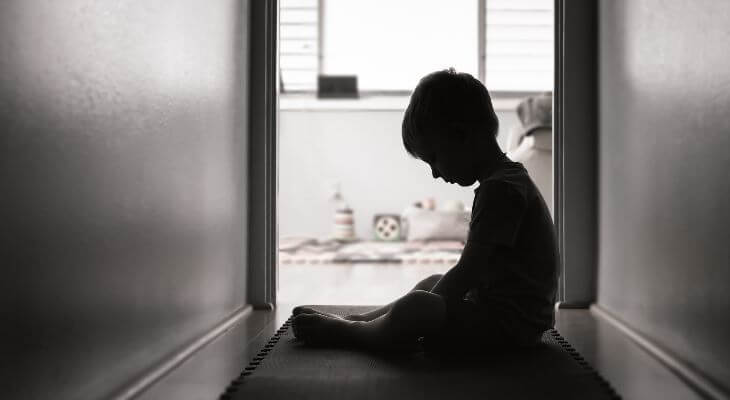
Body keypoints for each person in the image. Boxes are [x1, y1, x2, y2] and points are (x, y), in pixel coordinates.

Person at [291, 68, 559, 355]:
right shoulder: (507, 181)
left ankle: (353, 332)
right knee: (431, 284)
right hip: (510, 317)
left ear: (460, 135)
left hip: (509, 328)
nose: (434, 173)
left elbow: (468, 272)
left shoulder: (501, 191)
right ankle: (363, 321)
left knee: (420, 304)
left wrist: (422, 313)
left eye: (433, 158)